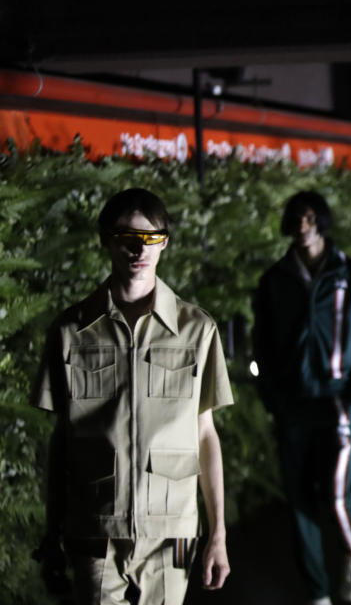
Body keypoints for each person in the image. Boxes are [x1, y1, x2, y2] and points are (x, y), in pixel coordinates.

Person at [32, 188, 233, 605]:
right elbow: (61, 441)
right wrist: (52, 533)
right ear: (106, 240)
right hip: (94, 532)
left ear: (165, 243)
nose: (139, 250)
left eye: (151, 239)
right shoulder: (71, 331)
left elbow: (205, 434)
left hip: (171, 536)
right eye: (127, 238)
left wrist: (219, 535)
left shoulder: (198, 330)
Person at [253, 191, 351, 605]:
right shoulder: (275, 280)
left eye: (310, 219)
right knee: (299, 501)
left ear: (321, 222)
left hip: (337, 403)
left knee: (338, 496)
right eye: (297, 220)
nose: (303, 227)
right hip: (292, 405)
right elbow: (263, 344)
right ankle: (317, 591)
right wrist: (272, 396)